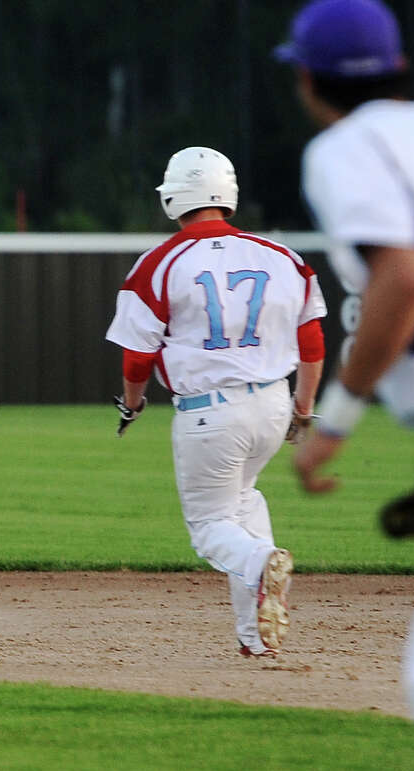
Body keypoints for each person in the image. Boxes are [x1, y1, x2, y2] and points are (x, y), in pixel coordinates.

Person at [278, 0, 414, 771]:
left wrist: (336, 417)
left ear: (306, 80)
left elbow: (403, 277)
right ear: (399, 67)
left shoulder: (346, 150)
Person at [106, 146, 327, 658]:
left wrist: (132, 406)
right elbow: (312, 340)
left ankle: (261, 562)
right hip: (273, 403)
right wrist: (303, 408)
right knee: (243, 500)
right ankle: (257, 639)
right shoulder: (282, 256)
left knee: (209, 529)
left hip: (210, 411)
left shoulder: (159, 263)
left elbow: (138, 359)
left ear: (173, 197)